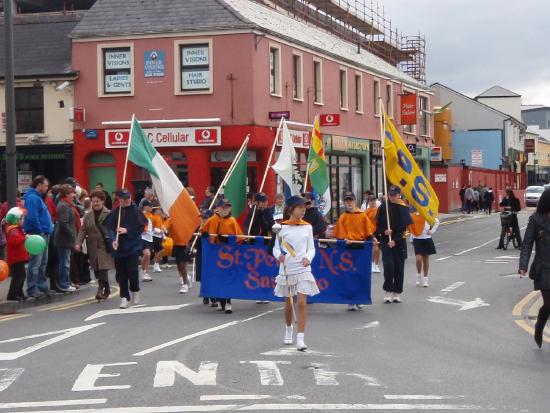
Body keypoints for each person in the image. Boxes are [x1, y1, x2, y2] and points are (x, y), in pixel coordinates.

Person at [273, 195, 319, 351]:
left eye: (305, 208)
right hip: (287, 269)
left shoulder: (308, 227)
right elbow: (275, 248)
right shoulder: (281, 227)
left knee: (301, 301)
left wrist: (308, 258)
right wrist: (278, 255)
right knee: (288, 303)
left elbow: (312, 248)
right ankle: (288, 329)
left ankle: (300, 338)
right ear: (291, 209)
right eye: (300, 208)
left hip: (303, 268)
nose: (303, 211)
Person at [519, 188, 550, 348]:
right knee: (549, 305)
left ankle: (541, 322)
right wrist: (523, 266)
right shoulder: (536, 220)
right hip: (543, 268)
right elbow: (526, 245)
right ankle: (539, 327)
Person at [200, 198, 243, 313]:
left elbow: (240, 237)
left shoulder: (232, 221)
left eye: (228, 207)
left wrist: (227, 239)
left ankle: (228, 302)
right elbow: (203, 230)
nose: (226, 209)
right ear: (218, 208)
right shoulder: (212, 219)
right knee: (217, 277)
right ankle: (220, 300)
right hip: (214, 253)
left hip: (228, 254)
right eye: (223, 207)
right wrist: (204, 234)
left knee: (227, 278)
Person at [106, 188, 146, 309]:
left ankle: (135, 290)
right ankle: (124, 297)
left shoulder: (136, 211)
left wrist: (127, 230)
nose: (127, 200)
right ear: (119, 199)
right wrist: (113, 240)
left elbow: (140, 228)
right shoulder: (115, 212)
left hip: (132, 246)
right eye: (124, 198)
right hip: (119, 247)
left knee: (132, 271)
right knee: (121, 274)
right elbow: (110, 228)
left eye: (128, 197)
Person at [333, 191, 374, 311]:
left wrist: (371, 244)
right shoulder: (342, 217)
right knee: (348, 276)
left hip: (360, 249)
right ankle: (350, 300)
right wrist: (343, 240)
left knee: (360, 275)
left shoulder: (363, 215)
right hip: (347, 250)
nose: (349, 203)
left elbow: (369, 233)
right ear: (344, 203)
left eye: (351, 200)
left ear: (355, 201)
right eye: (347, 201)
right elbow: (338, 235)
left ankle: (359, 299)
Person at [375, 186, 413, 303]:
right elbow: (377, 225)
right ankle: (387, 290)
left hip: (399, 242)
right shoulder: (383, 207)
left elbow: (406, 231)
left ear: (399, 194)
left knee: (398, 267)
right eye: (390, 195)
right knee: (388, 265)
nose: (392, 197)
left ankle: (397, 292)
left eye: (394, 195)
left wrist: (395, 240)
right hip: (385, 241)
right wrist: (384, 231)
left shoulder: (403, 208)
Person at [75, 190, 114, 301]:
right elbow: (83, 230)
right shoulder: (88, 215)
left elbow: (113, 229)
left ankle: (99, 290)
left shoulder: (109, 214)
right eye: (93, 201)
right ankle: (106, 287)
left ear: (102, 201)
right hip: (92, 246)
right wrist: (78, 243)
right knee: (97, 270)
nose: (95, 203)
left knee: (102, 268)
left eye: (97, 201)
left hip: (104, 245)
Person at [23, 175, 54, 298]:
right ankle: (32, 289)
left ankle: (41, 286)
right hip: (38, 234)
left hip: (43, 233)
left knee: (42, 262)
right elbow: (32, 217)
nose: (47, 188)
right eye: (46, 185)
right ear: (39, 185)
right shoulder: (33, 198)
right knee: (36, 263)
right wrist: (40, 230)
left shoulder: (37, 197)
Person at [55, 184, 79, 292]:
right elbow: (63, 223)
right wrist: (72, 234)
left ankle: (66, 282)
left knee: (66, 262)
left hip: (66, 238)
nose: (74, 195)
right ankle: (64, 284)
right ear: (66, 194)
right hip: (64, 239)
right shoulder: (63, 206)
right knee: (64, 263)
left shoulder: (66, 204)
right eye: (72, 193)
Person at [409, 209, 439, 288]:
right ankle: (418, 275)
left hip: (426, 239)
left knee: (426, 259)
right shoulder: (414, 215)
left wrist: (432, 231)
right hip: (417, 239)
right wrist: (411, 238)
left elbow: (437, 221)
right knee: (418, 258)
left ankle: (425, 279)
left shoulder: (427, 213)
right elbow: (412, 227)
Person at [5, 207, 28, 301]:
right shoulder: (13, 230)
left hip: (18, 257)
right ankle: (13, 295)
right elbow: (14, 241)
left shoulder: (16, 229)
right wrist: (24, 238)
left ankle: (19, 293)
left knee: (19, 276)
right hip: (16, 258)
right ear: (16, 219)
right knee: (19, 276)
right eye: (21, 219)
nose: (23, 221)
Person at [365, 196, 381, 274]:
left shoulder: (378, 210)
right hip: (371, 231)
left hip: (379, 231)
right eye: (371, 201)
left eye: (374, 200)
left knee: (378, 250)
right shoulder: (366, 212)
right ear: (368, 202)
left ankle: (376, 264)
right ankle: (371, 263)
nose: (373, 202)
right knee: (375, 248)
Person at [140, 200, 154, 282]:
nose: (151, 207)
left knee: (148, 256)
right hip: (143, 237)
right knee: (147, 254)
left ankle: (145, 272)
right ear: (145, 206)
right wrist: (142, 230)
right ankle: (142, 271)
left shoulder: (150, 215)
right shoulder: (141, 214)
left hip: (149, 237)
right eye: (150, 206)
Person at [151, 206, 166, 273]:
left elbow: (162, 225)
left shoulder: (159, 217)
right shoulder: (152, 217)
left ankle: (156, 266)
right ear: (155, 210)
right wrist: (159, 231)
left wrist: (164, 232)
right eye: (159, 209)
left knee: (157, 251)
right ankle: (156, 264)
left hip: (159, 236)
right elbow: (151, 228)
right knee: (162, 250)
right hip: (154, 236)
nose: (160, 210)